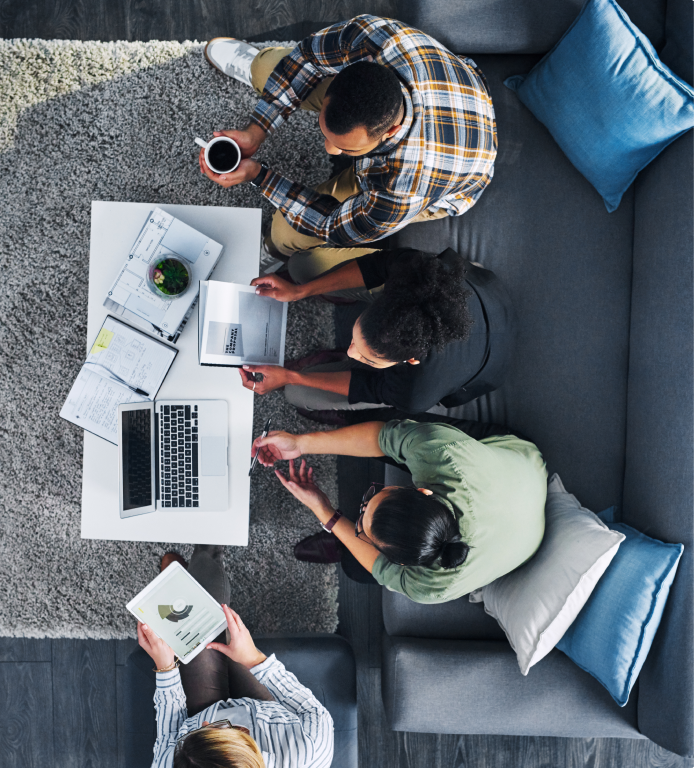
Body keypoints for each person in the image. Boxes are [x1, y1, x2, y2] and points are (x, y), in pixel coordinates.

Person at [200, 15, 497, 276]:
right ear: (346, 71)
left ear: (390, 131)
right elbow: (307, 59)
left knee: (287, 231)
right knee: (269, 68)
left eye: (347, 149)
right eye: (325, 132)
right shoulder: (373, 38)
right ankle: (256, 67)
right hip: (443, 89)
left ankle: (273, 251)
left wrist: (260, 176)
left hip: (447, 173)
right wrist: (256, 130)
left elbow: (332, 226)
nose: (329, 149)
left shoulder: (401, 190)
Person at [250, 418, 547, 604]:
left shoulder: (431, 588)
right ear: (422, 490)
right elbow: (384, 436)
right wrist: (300, 444)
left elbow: (381, 569)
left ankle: (344, 545)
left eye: (362, 523)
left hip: (528, 490)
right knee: (397, 427)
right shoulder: (441, 455)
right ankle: (344, 414)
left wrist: (324, 511)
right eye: (369, 500)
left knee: (355, 567)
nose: (361, 506)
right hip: (520, 458)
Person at [237, 247, 515, 419]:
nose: (350, 352)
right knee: (301, 267)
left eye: (367, 358)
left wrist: (291, 377)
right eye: (354, 339)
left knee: (297, 393)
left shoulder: (415, 393)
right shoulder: (417, 271)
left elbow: (369, 386)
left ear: (409, 360)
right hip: (479, 289)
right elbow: (374, 266)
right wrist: (300, 291)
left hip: (489, 355)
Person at [134, 546, 334, 768]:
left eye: (196, 733)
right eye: (220, 727)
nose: (208, 722)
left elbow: (169, 735)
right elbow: (311, 711)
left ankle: (190, 579)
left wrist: (166, 668)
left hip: (200, 712)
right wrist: (254, 659)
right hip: (263, 710)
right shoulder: (311, 751)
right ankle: (193, 573)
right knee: (211, 619)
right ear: (245, 739)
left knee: (200, 624)